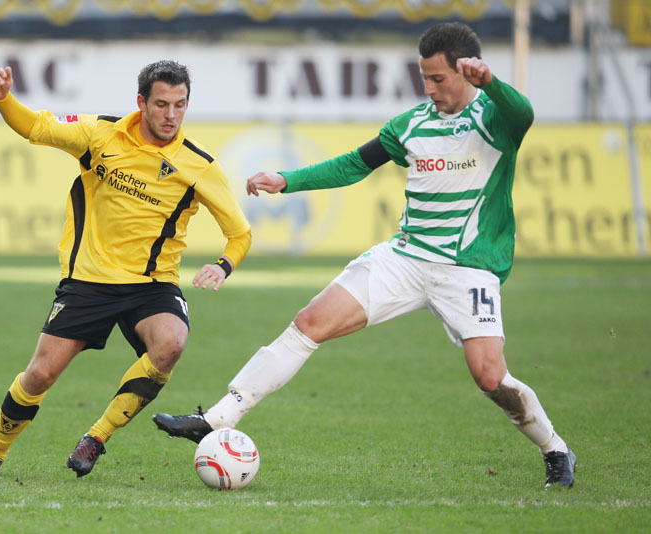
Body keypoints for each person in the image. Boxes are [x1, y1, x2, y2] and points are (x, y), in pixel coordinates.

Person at [153, 22, 576, 489]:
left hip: (467, 269)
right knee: (309, 322)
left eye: (438, 78)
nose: (429, 88)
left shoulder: (494, 119)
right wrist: (288, 180)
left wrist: (492, 83)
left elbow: (523, 113)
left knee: (490, 377)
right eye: (424, 78)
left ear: (466, 72)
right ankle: (218, 418)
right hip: (405, 258)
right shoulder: (411, 124)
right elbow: (354, 164)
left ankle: (555, 448)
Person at [0, 61, 252, 478]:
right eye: (162, 104)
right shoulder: (100, 134)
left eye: (180, 105)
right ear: (141, 102)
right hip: (89, 280)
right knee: (40, 375)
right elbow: (36, 127)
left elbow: (240, 234)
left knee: (171, 344)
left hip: (152, 283)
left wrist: (224, 265)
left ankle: (97, 437)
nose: (171, 115)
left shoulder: (199, 165)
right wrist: (4, 99)